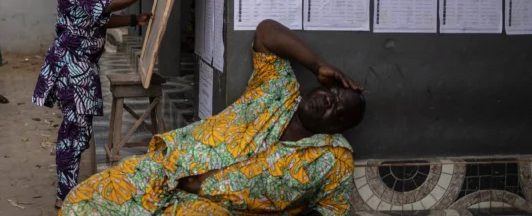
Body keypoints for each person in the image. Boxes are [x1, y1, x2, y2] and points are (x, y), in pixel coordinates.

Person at [61, 19, 366, 215]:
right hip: (163, 173)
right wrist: (318, 65)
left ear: (337, 128)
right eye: (333, 93)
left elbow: (332, 210)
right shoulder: (278, 89)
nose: (328, 99)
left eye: (336, 108)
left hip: (209, 208)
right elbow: (266, 32)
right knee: (78, 204)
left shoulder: (333, 159)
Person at [32, 0, 170, 208]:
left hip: (81, 66)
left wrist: (135, 19)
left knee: (78, 131)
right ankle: (65, 197)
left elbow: (96, 18)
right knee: (74, 132)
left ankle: (67, 190)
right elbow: (108, 3)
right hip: (72, 66)